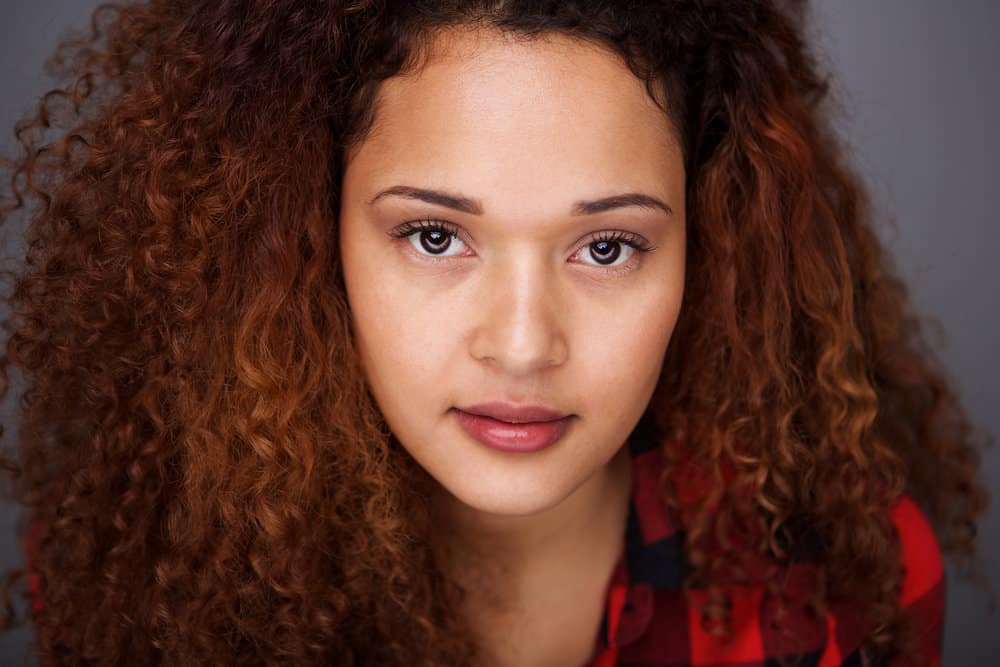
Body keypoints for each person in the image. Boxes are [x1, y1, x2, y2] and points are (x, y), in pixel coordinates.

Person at [0, 1, 991, 665]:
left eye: (605, 247)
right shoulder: (142, 595)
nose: (522, 346)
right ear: (304, 229)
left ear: (712, 250)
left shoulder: (840, 592)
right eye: (435, 235)